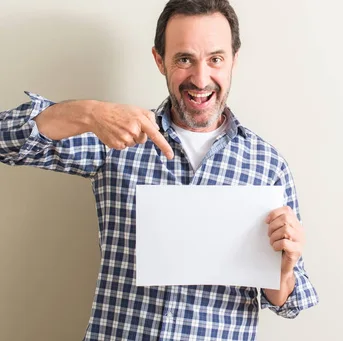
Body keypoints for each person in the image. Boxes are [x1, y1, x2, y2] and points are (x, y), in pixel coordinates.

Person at [0, 0, 319, 339]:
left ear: (233, 62)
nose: (200, 78)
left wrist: (283, 272)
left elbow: (288, 302)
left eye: (215, 59)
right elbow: (6, 141)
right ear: (159, 60)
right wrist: (89, 113)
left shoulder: (267, 166)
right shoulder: (116, 136)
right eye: (184, 59)